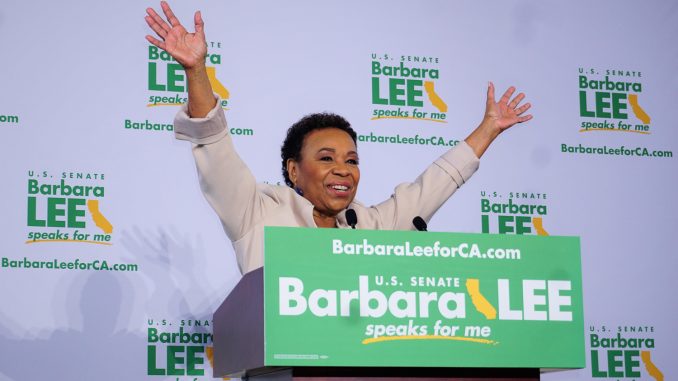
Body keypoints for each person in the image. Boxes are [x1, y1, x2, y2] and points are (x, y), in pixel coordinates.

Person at [145, 2, 533, 274]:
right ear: (293, 170)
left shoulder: (367, 226)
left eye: (351, 160)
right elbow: (215, 147)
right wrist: (196, 70)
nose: (343, 170)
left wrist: (488, 129)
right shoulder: (257, 212)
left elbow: (430, 188)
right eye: (327, 158)